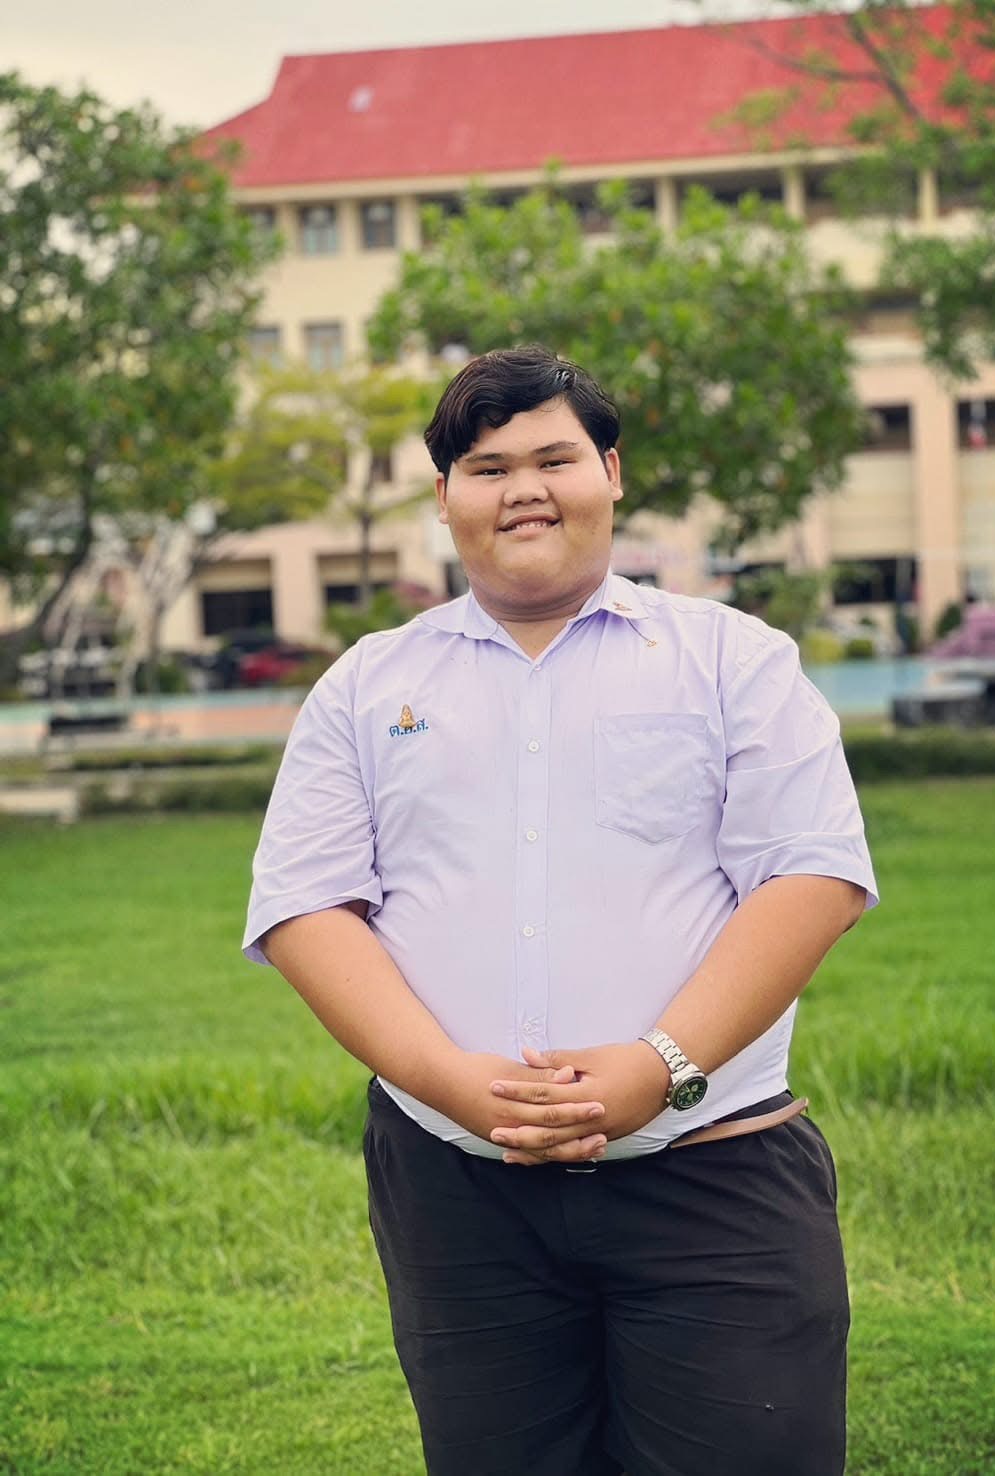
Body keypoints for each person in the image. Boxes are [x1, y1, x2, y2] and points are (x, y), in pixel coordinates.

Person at [244, 345, 878, 1476]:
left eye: (554, 459)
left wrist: (658, 1066)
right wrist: (450, 1081)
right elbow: (306, 907)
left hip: (711, 1177)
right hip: (459, 1198)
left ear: (612, 473)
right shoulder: (367, 686)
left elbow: (812, 878)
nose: (523, 490)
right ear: (446, 498)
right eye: (487, 468)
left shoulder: (731, 660)